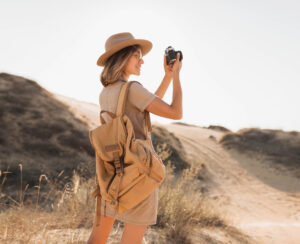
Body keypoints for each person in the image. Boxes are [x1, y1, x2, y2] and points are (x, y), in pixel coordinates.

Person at [86, 32, 182, 244]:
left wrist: (166, 77)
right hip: (139, 173)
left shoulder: (107, 92)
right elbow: (176, 112)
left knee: (97, 238)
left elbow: (148, 102)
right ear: (122, 58)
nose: (142, 60)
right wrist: (176, 76)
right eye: (136, 55)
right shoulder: (133, 89)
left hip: (111, 173)